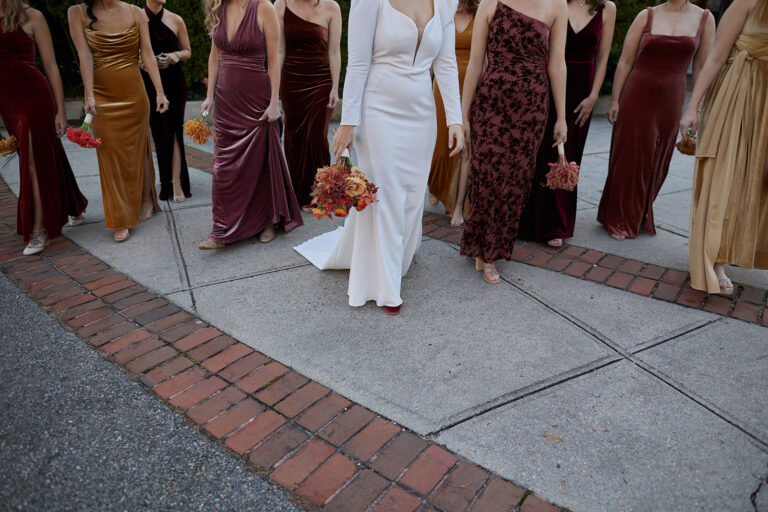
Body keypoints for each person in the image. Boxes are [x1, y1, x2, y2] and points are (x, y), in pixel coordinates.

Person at [294, 0, 464, 315]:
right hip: (378, 110)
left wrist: (455, 118)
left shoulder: (446, 1)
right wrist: (348, 122)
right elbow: (358, 63)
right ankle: (386, 288)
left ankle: (395, 259)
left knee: (412, 196)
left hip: (422, 114)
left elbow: (446, 61)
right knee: (385, 195)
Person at [460, 0, 568, 285]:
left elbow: (558, 65)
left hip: (532, 109)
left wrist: (561, 117)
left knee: (514, 182)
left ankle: (491, 248)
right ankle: (486, 248)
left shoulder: (557, 5)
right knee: (486, 176)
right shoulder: (489, 3)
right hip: (491, 104)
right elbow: (475, 63)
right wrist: (462, 115)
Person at [596, 1, 714, 240]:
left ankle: (637, 212)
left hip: (672, 98)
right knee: (630, 156)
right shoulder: (646, 15)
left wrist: (696, 108)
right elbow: (626, 61)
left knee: (657, 158)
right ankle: (619, 217)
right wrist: (615, 100)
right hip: (637, 93)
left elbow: (702, 67)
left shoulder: (705, 18)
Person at [198, 0, 303, 250]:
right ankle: (221, 228)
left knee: (260, 164)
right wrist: (210, 96)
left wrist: (274, 102)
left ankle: (267, 221)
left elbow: (274, 60)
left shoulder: (264, 7)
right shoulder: (219, 8)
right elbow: (215, 56)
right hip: (225, 102)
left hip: (256, 100)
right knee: (223, 166)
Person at [680, 0, 767, 295]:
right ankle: (715, 259)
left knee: (753, 183)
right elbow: (717, 56)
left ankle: (733, 248)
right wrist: (693, 107)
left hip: (765, 106)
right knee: (725, 179)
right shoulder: (748, 1)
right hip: (736, 94)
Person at [68, 0, 167, 243]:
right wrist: (89, 95)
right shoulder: (77, 13)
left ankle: (146, 198)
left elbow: (147, 54)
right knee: (110, 156)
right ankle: (120, 218)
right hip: (101, 97)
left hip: (135, 95)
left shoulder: (136, 12)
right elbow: (84, 55)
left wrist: (160, 92)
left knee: (137, 150)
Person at [519, 0, 615, 247]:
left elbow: (603, 57)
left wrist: (594, 96)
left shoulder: (607, 9)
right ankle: (529, 220)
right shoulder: (556, 2)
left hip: (582, 91)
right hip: (549, 83)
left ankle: (556, 223)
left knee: (569, 155)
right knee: (540, 150)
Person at [0, 0, 87, 255]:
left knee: (32, 162)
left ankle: (39, 229)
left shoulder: (32, 16)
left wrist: (61, 111)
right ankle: (75, 205)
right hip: (7, 102)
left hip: (32, 97)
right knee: (44, 155)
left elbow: (50, 65)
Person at [274, 0, 341, 208]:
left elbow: (334, 52)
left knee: (317, 137)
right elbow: (279, 51)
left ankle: (321, 194)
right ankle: (299, 195)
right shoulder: (281, 5)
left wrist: (335, 87)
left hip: (322, 80)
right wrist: (274, 90)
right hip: (291, 80)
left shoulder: (332, 7)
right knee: (294, 137)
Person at [427, 0, 476, 226]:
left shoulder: (479, 14)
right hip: (443, 88)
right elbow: (430, 52)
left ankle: (457, 202)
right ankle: (435, 184)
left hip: (471, 87)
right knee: (439, 142)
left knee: (465, 146)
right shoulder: (441, 11)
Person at [141, 0, 192, 203]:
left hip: (175, 82)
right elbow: (131, 53)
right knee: (158, 133)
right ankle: (164, 182)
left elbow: (187, 50)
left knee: (174, 130)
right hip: (148, 83)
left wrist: (175, 55)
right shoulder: (137, 18)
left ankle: (176, 181)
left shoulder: (176, 19)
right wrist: (146, 62)